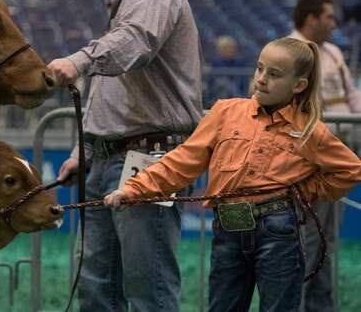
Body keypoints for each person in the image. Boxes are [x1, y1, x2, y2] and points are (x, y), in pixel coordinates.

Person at [105, 37, 361, 312]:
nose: (262, 79)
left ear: (298, 85)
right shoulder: (225, 112)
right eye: (259, 68)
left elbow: (350, 170)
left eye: (274, 75)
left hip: (280, 232)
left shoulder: (312, 130)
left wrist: (304, 192)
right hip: (228, 229)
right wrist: (133, 189)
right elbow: (181, 161)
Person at [48, 0, 202, 311]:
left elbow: (136, 44)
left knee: (147, 286)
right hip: (107, 160)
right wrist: (82, 150)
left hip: (149, 159)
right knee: (97, 288)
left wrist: (80, 59)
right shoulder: (127, 3)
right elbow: (110, 89)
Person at [286, 0, 361, 312]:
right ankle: (296, 305)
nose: (334, 23)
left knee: (327, 237)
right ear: (311, 19)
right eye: (329, 17)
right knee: (306, 237)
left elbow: (351, 95)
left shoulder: (331, 51)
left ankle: (321, 306)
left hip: (340, 152)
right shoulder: (288, 51)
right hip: (307, 158)